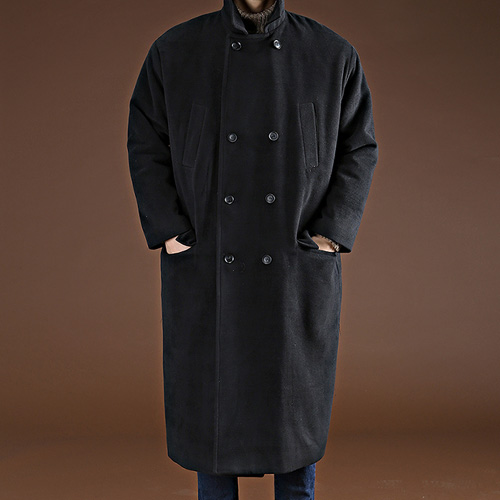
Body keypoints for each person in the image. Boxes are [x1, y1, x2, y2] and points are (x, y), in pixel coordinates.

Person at [127, 0, 378, 498]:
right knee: (213, 420)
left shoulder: (330, 54)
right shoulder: (176, 50)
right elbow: (145, 142)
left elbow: (359, 147)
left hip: (292, 267)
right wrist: (170, 230)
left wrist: (329, 233)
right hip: (208, 263)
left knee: (293, 420)